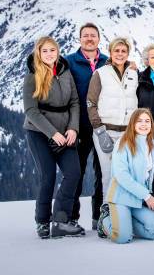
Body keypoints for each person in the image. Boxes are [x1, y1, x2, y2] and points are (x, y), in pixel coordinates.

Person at [23, 36, 83, 238]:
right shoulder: (33, 76)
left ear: (58, 52)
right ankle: (42, 222)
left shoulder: (65, 72)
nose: (49, 54)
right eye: (45, 51)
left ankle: (60, 220)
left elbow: (74, 102)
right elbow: (31, 111)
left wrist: (73, 128)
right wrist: (53, 133)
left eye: (52, 50)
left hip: (66, 132)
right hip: (39, 133)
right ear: (38, 53)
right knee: (48, 176)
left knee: (73, 173)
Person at [97, 109, 154, 243]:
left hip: (138, 201)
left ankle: (125, 223)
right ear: (133, 123)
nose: (144, 124)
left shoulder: (151, 145)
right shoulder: (124, 142)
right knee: (123, 238)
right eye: (139, 121)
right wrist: (147, 196)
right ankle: (105, 220)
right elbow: (121, 175)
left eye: (147, 121)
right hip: (121, 197)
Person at [65, 22, 107, 231]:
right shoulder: (69, 62)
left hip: (102, 127)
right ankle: (71, 218)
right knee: (76, 172)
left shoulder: (108, 62)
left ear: (99, 39)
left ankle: (98, 217)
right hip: (78, 127)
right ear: (80, 39)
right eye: (85, 36)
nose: (89, 38)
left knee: (102, 173)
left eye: (93, 35)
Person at [87, 37, 138, 206]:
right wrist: (99, 130)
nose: (120, 54)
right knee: (108, 175)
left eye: (123, 51)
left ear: (128, 53)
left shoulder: (133, 73)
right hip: (106, 131)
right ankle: (106, 216)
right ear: (110, 52)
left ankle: (123, 215)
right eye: (116, 50)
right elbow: (91, 103)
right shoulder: (100, 73)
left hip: (127, 132)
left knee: (126, 174)